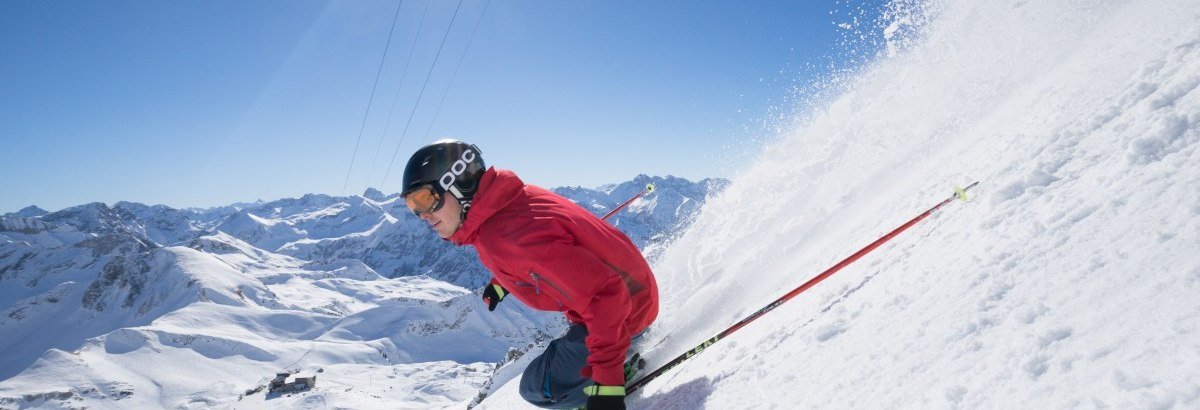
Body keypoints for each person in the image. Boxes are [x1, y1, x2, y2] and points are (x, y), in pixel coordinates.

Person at [400, 139, 659, 409]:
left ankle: (618, 368)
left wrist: (608, 387)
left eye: (425, 199)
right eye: (412, 205)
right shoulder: (512, 202)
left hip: (626, 312)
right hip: (637, 291)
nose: (422, 215)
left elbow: (605, 296)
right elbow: (543, 254)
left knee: (537, 388)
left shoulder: (504, 238)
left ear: (457, 183)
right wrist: (503, 282)